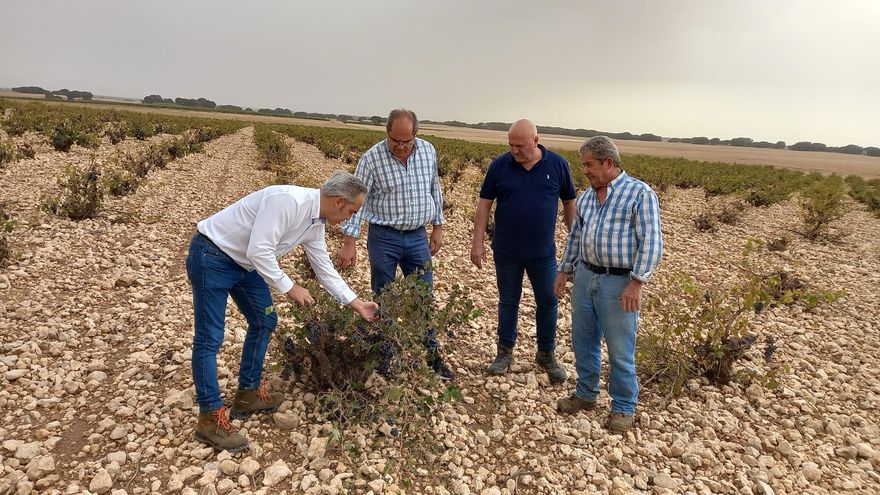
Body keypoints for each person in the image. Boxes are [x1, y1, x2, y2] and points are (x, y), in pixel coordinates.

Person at [187, 171, 378, 451]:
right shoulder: (287, 201)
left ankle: (248, 394)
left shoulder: (315, 222)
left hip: (246, 266)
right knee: (209, 338)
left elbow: (323, 266)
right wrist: (290, 287)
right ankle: (209, 419)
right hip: (212, 257)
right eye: (352, 211)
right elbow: (259, 250)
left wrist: (356, 302)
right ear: (339, 202)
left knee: (265, 320)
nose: (351, 218)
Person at [553, 136, 662, 433]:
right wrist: (564, 272)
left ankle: (624, 406)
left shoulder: (640, 194)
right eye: (583, 165)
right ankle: (586, 395)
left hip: (619, 281)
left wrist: (637, 282)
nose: (585, 170)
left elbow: (652, 242)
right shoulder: (587, 197)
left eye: (589, 165)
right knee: (583, 340)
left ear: (608, 163)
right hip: (586, 276)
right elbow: (575, 237)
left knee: (619, 348)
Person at [336, 108, 454, 380]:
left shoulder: (428, 151)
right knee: (383, 297)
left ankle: (431, 355)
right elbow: (356, 200)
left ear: (416, 135)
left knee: (423, 297)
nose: (400, 147)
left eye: (406, 141)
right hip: (383, 237)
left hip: (417, 237)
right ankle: (384, 354)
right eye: (395, 140)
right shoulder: (372, 158)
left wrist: (438, 226)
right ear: (387, 133)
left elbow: (435, 189)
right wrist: (349, 242)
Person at [471, 119, 576, 383]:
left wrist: (575, 243)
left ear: (536, 141)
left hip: (543, 254)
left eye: (520, 146)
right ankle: (504, 353)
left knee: (549, 301)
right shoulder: (499, 166)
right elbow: (484, 205)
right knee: (508, 301)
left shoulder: (558, 165)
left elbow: (569, 204)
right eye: (511, 145)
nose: (515, 151)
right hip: (506, 252)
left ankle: (546, 353)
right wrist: (477, 242)